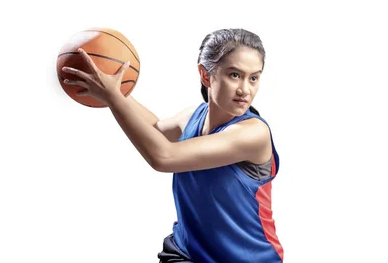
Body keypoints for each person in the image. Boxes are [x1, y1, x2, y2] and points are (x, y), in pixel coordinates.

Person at [61, 28, 284, 263]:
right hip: (186, 252)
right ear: (206, 75)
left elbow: (163, 156)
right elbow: (155, 132)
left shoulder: (253, 134)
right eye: (234, 75)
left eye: (254, 78)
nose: (245, 90)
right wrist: (115, 89)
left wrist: (113, 97)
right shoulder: (192, 117)